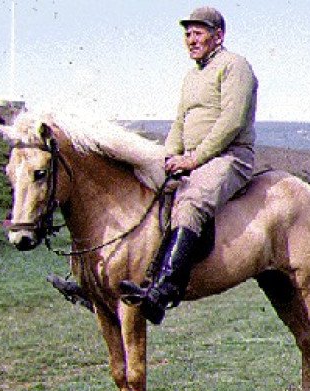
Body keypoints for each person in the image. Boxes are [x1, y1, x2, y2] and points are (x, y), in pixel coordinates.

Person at [119, 6, 259, 324]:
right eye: (187, 33)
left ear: (218, 35)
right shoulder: (192, 76)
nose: (190, 40)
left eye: (198, 33)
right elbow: (180, 123)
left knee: (192, 201)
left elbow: (232, 121)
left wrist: (195, 158)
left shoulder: (235, 66)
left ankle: (164, 290)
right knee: (147, 188)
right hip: (193, 158)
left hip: (229, 157)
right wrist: (166, 159)